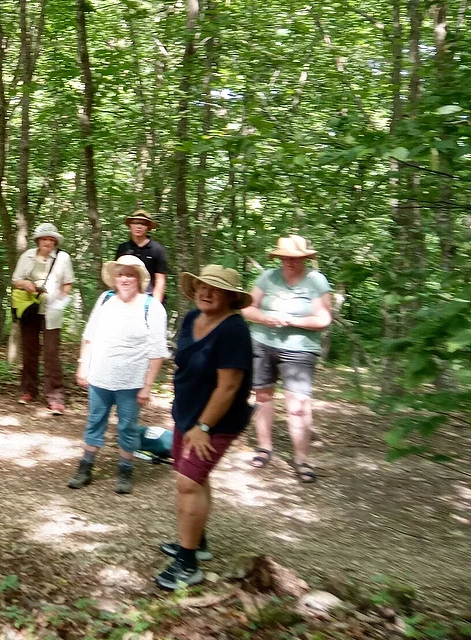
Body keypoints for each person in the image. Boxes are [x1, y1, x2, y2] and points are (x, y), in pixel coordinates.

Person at [156, 265, 253, 590]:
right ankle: (198, 542)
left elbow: (228, 386)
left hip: (215, 420)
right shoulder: (190, 319)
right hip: (188, 412)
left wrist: (204, 426)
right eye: (202, 286)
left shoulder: (233, 330)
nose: (206, 292)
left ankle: (187, 564)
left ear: (231, 297)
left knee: (188, 482)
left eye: (216, 288)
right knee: (195, 479)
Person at [68, 255, 170, 494]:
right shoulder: (105, 299)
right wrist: (83, 365)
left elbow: (157, 351)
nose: (125, 279)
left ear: (139, 279)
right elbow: (90, 334)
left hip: (131, 381)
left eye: (130, 274)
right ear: (114, 278)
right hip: (100, 376)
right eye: (121, 274)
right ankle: (85, 468)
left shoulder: (151, 307)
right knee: (95, 422)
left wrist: (147, 386)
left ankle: (125, 470)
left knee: (128, 426)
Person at [240, 235, 333, 483]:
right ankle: (264, 447)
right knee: (262, 395)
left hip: (300, 348)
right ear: (279, 258)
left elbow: (323, 319)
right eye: (286, 258)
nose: (290, 262)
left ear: (304, 258)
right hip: (261, 342)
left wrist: (292, 321)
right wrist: (265, 318)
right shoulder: (267, 277)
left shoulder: (316, 281)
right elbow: (247, 308)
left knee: (298, 405)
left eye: (295, 258)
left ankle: (302, 460)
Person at [11, 223, 75, 412]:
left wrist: (60, 303)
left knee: (51, 353)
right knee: (29, 350)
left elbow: (68, 285)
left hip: (52, 311)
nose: (47, 242)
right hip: (29, 308)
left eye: (51, 239)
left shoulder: (63, 258)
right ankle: (28, 390)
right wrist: (26, 284)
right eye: (44, 238)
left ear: (55, 241)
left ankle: (55, 396)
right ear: (38, 240)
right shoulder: (27, 256)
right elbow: (15, 281)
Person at [116, 210, 168, 304]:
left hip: (149, 297)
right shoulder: (123, 248)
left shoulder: (157, 249)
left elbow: (160, 280)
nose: (139, 226)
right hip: (127, 298)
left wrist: (155, 305)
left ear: (148, 227)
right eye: (135, 223)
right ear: (130, 226)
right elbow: (118, 275)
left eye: (143, 224)